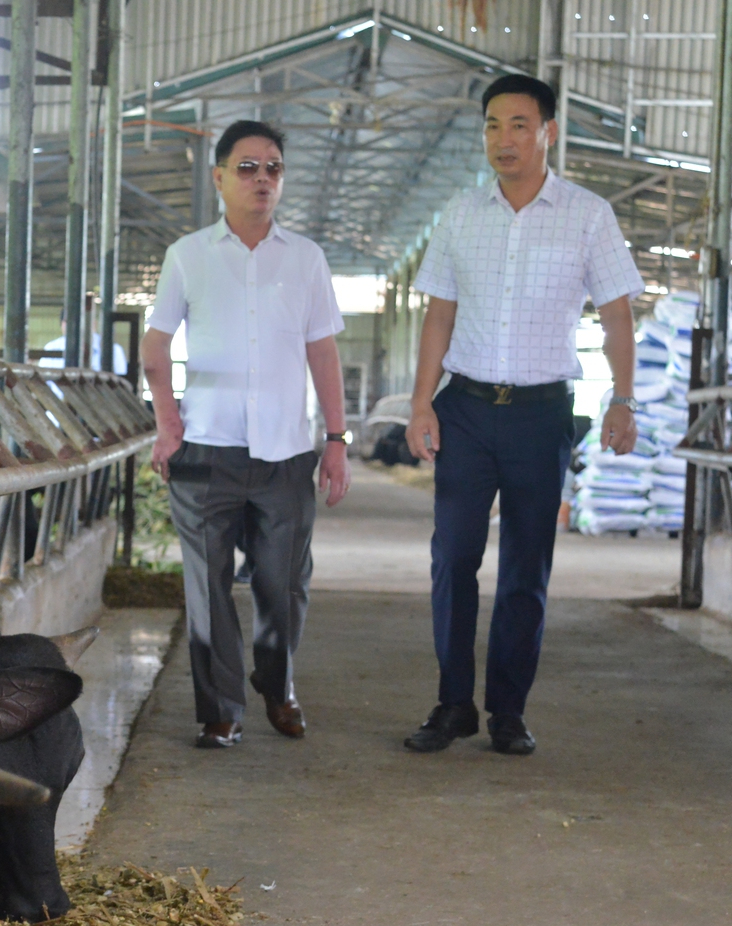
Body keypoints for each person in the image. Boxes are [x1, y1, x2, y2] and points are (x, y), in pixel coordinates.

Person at [402, 74, 643, 756]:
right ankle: (453, 704)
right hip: (468, 410)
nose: (502, 140)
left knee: (526, 569)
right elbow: (439, 312)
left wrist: (622, 398)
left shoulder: (588, 214)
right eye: (491, 126)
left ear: (548, 133)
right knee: (452, 557)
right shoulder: (460, 214)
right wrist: (422, 400)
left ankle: (508, 711)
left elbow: (618, 312)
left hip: (542, 417)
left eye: (517, 125)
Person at [140, 120, 351, 749]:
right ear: (220, 177)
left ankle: (277, 683)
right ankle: (221, 709)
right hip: (206, 449)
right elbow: (155, 348)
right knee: (207, 587)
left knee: (283, 583)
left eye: (274, 168)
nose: (263, 179)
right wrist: (168, 422)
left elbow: (324, 355)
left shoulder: (305, 258)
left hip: (286, 454)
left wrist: (336, 441)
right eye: (248, 167)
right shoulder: (189, 255)